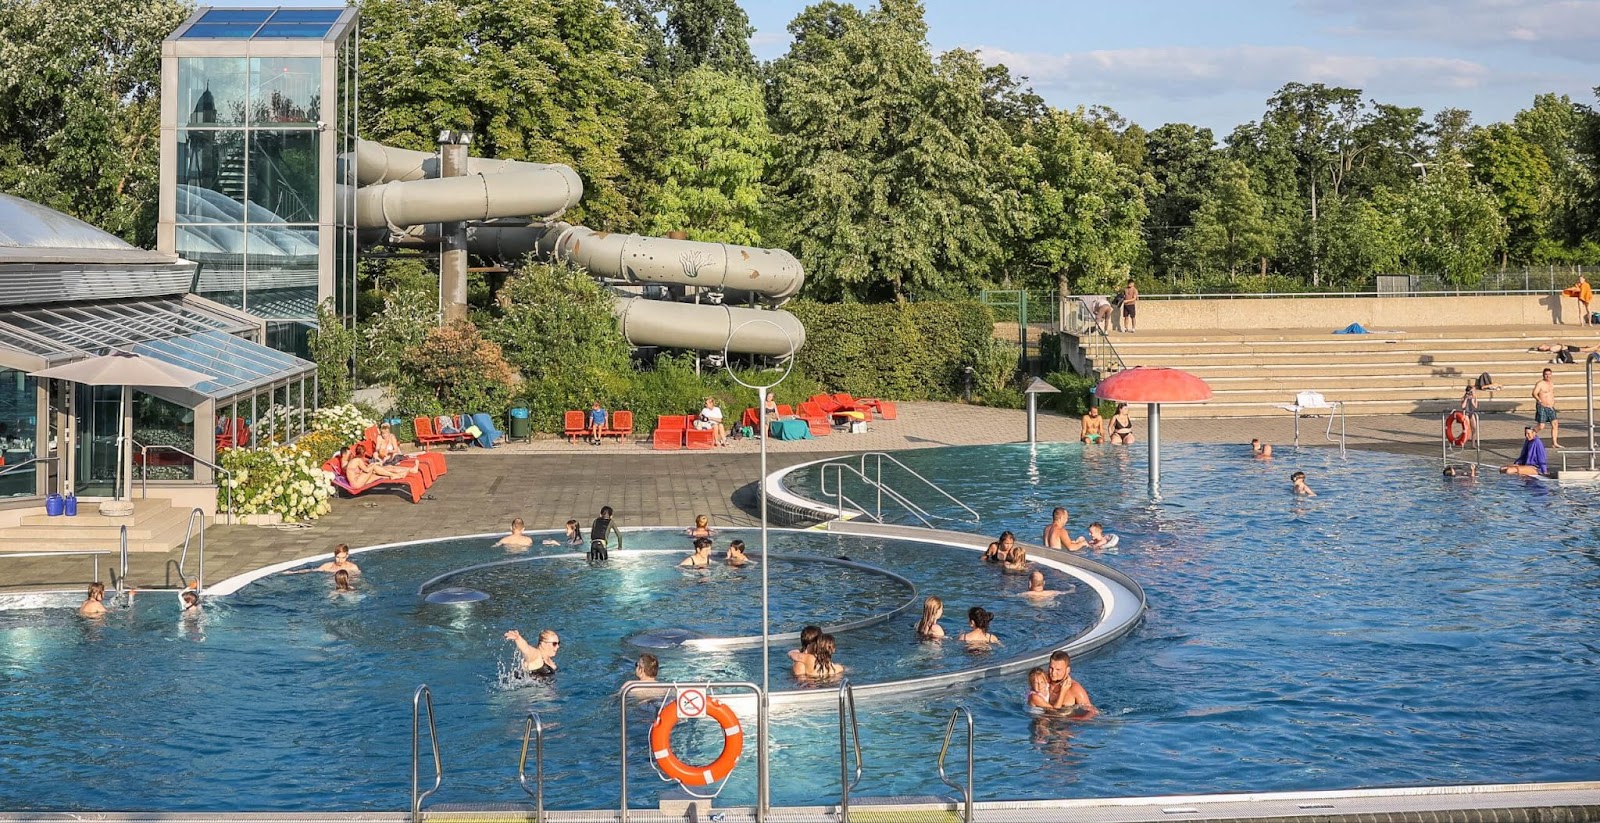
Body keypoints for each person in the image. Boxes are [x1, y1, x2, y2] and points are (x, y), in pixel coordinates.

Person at [1044, 650, 1097, 717]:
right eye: (1051, 668)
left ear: (1067, 670)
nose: (1053, 673)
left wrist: (1077, 721)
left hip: (1065, 722)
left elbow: (1092, 711)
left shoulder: (1075, 689)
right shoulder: (1042, 683)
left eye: (1058, 670)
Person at [284, 544, 361, 575]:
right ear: (334, 555)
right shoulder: (327, 566)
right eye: (337, 557)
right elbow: (311, 570)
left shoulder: (352, 568)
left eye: (342, 557)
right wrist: (293, 572)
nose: (340, 560)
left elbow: (360, 581)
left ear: (347, 556)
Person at [1533, 368, 1560, 448]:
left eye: (1549, 374)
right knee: (1541, 426)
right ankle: (1531, 434)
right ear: (1543, 375)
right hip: (1542, 406)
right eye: (1546, 374)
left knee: (1555, 424)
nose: (1548, 376)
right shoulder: (1540, 384)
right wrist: (1539, 400)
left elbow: (1551, 394)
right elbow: (1534, 393)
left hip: (1550, 407)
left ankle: (1554, 443)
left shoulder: (1551, 384)